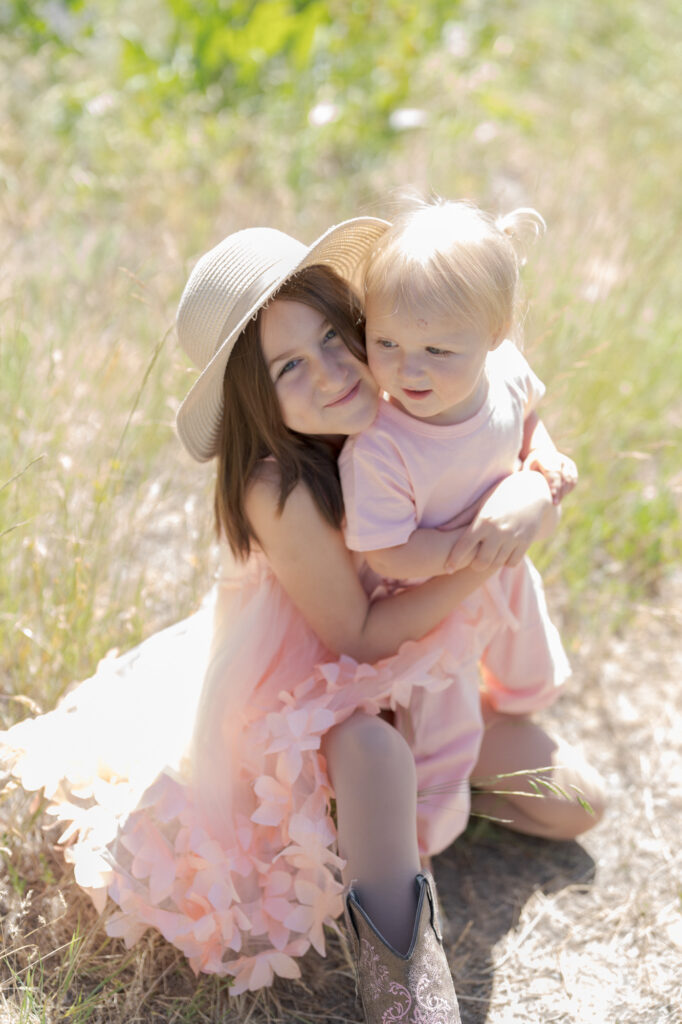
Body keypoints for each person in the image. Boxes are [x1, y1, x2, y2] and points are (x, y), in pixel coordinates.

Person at [0, 217, 604, 1023]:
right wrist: (480, 556)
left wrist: (535, 480)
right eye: (289, 365)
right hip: (314, 692)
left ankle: (411, 807)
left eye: (332, 337)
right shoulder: (277, 488)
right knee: (373, 750)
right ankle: (399, 961)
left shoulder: (403, 377)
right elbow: (352, 637)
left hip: (415, 664)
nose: (329, 373)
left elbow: (510, 400)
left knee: (575, 804)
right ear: (257, 394)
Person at [339, 196, 592, 867]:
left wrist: (543, 460)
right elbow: (385, 544)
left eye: (437, 350)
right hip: (426, 608)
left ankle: (492, 759)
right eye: (386, 343)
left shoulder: (505, 375)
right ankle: (417, 836)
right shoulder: (382, 445)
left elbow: (527, 418)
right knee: (442, 724)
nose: (407, 369)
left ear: (495, 334)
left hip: (498, 582)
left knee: (517, 674)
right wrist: (467, 552)